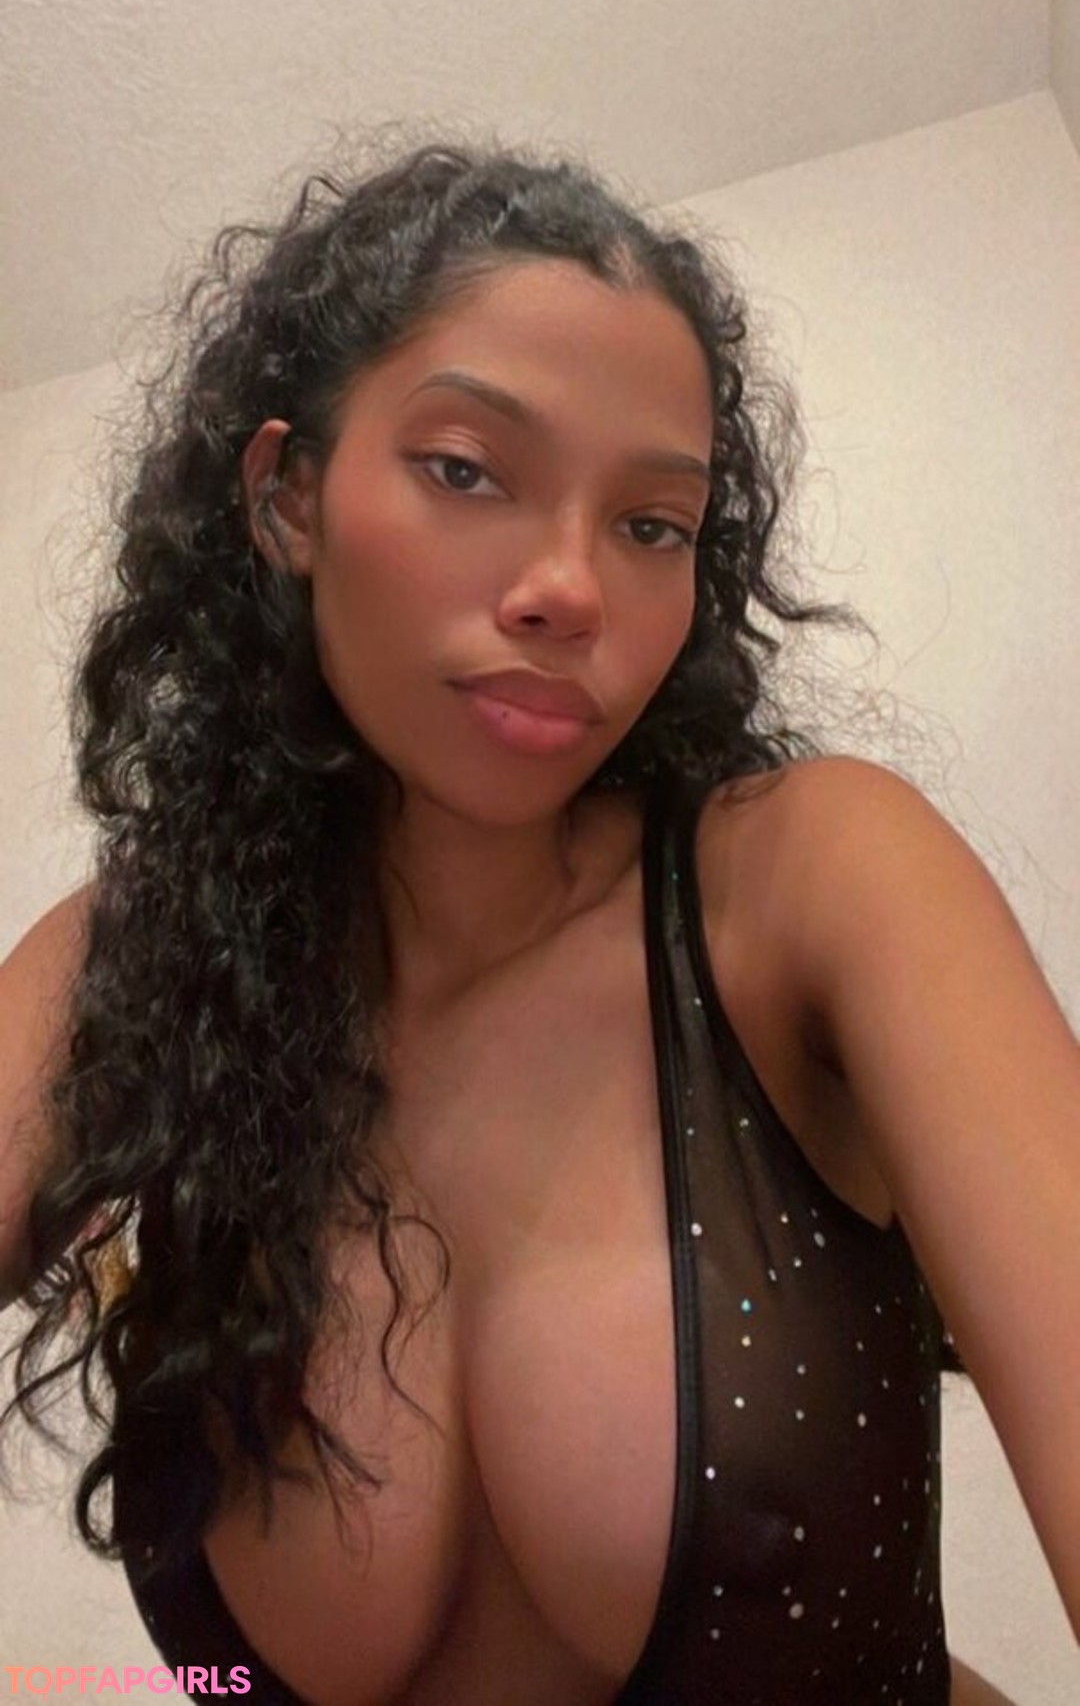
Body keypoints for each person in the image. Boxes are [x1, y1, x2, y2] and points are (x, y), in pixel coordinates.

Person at [0, 136, 1075, 1706]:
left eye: (652, 526)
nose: (572, 586)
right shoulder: (139, 967)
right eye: (466, 468)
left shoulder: (814, 885)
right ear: (288, 498)